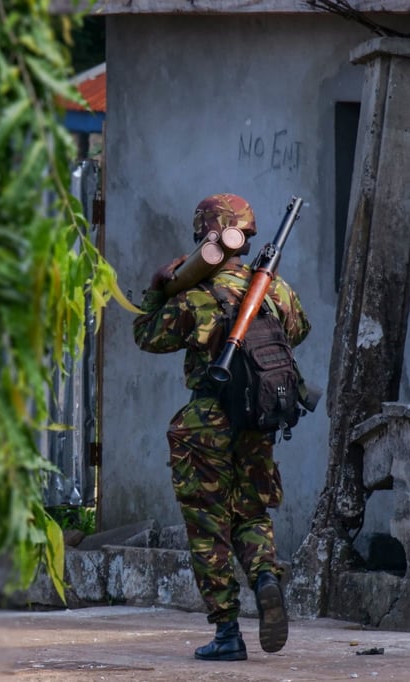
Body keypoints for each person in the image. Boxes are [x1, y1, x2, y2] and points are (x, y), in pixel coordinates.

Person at [132, 193, 311, 661]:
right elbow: (300, 329)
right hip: (258, 419)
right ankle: (266, 578)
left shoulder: (194, 297)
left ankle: (228, 633)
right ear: (245, 237)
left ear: (205, 237)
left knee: (209, 527)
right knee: (251, 514)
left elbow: (146, 336)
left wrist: (157, 286)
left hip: (206, 424)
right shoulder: (276, 290)